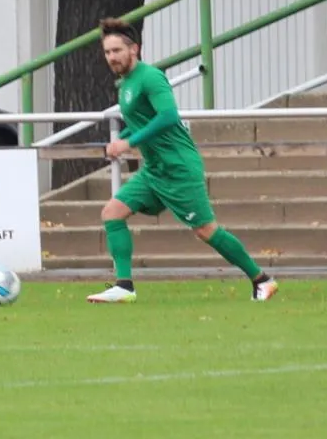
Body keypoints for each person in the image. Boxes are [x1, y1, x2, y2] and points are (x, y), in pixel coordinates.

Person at [87, 17, 276, 305]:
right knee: (112, 213)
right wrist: (121, 139)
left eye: (117, 51)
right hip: (154, 169)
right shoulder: (125, 84)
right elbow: (142, 122)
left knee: (206, 230)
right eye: (107, 52)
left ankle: (261, 279)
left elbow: (168, 116)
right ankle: (124, 287)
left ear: (134, 49)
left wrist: (129, 143)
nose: (111, 57)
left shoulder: (150, 77)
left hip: (178, 167)